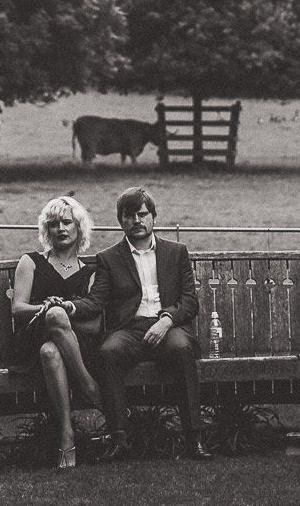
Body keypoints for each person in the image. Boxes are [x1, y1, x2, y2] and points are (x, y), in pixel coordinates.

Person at [87, 186, 211, 460]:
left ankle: (194, 438)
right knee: (108, 353)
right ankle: (119, 439)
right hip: (129, 330)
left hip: (167, 327)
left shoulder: (176, 252)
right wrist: (67, 305)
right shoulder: (108, 259)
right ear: (121, 221)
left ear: (154, 216)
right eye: (129, 216)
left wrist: (167, 319)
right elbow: (96, 302)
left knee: (182, 349)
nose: (137, 221)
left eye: (143, 214)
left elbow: (190, 302)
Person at [11, 195, 103, 468]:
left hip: (75, 345)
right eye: (54, 224)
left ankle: (66, 437)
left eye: (67, 222)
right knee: (52, 316)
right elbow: (17, 308)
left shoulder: (90, 272)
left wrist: (62, 316)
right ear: (47, 231)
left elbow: (95, 324)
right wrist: (47, 310)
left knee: (51, 352)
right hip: (33, 338)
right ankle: (89, 385)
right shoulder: (31, 262)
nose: (61, 229)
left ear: (79, 228)